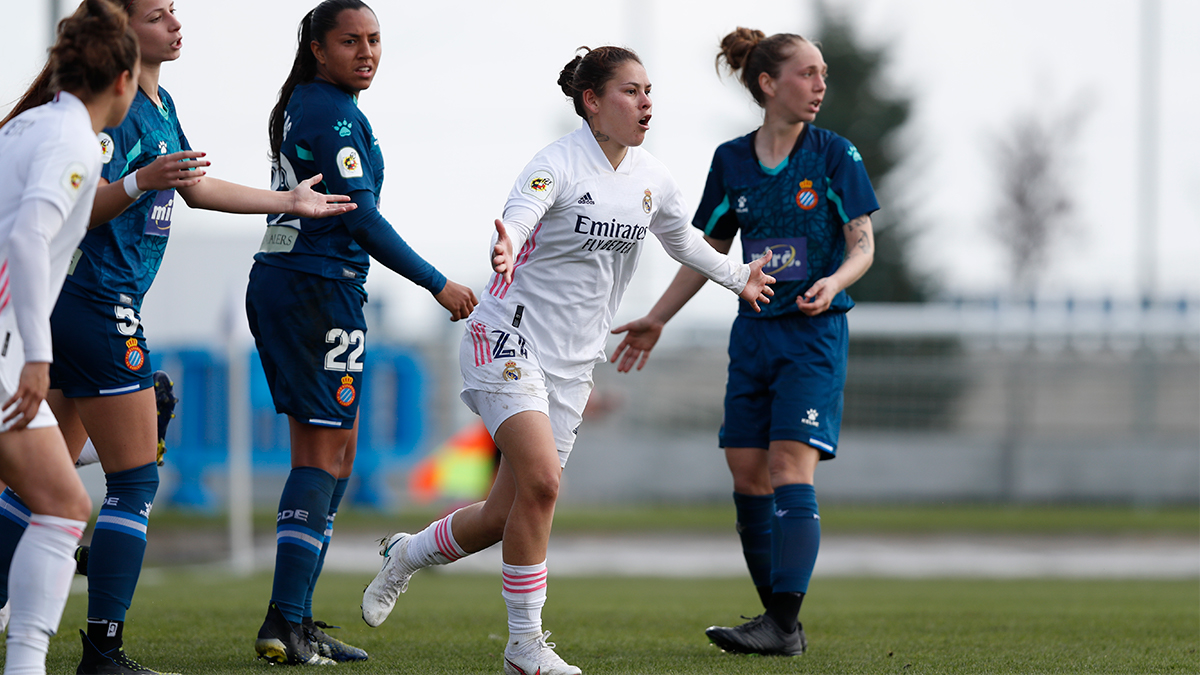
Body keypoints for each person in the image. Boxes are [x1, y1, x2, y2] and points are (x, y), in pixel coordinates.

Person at [360, 45, 776, 675]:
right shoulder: (557, 163)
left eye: (648, 91)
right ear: (592, 101)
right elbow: (523, 211)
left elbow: (684, 240)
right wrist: (509, 242)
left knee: (505, 515)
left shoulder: (651, 179)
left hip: (574, 363)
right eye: (631, 91)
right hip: (507, 339)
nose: (646, 103)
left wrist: (736, 276)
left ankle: (408, 555)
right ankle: (525, 649)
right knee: (545, 484)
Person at [0, 0, 358, 672]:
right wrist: (139, 182)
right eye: (159, 15)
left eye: (174, 12)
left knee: (35, 487)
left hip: (84, 305)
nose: (176, 23)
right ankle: (103, 648)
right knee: (133, 479)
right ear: (121, 35)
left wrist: (289, 200)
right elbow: (75, 209)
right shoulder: (107, 115)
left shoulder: (157, 104)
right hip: (94, 300)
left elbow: (193, 188)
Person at [609, 27, 878, 656]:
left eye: (823, 75)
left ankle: (781, 623)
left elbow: (862, 241)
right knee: (746, 473)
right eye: (807, 74)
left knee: (789, 466)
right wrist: (658, 318)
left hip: (813, 335)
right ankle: (779, 623)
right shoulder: (732, 161)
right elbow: (704, 251)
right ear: (768, 83)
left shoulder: (835, 154)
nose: (819, 86)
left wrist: (832, 279)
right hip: (752, 335)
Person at [247, 0, 478, 666]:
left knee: (333, 454)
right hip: (315, 288)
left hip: (304, 283)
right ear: (319, 48)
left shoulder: (314, 105)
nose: (367, 51)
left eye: (375, 39)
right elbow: (361, 220)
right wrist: (438, 281)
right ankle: (287, 621)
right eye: (351, 40)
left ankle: (292, 618)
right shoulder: (332, 111)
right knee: (323, 455)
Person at [0, 1, 140, 673]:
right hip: (3, 353)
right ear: (123, 79)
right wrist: (35, 355)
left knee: (61, 503)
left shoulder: (26, 126)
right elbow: (28, 237)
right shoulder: (75, 141)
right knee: (63, 504)